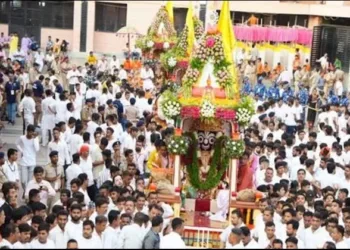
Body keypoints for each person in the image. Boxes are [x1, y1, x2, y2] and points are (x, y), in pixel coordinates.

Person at [16, 125, 40, 192]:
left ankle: (26, 193)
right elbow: (17, 144)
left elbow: (37, 149)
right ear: (27, 131)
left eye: (32, 132)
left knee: (30, 181)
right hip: (23, 161)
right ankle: (25, 190)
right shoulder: (22, 138)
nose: (30, 134)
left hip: (32, 161)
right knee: (23, 181)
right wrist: (21, 150)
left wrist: (35, 138)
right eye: (29, 132)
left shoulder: (35, 139)